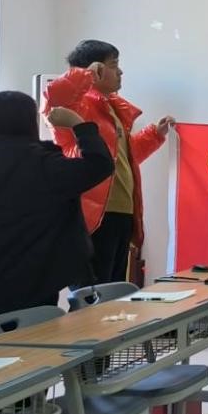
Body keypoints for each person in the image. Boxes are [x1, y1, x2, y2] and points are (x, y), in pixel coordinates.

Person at [43, 40, 175, 284]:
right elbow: (55, 96)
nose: (120, 71)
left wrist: (155, 134)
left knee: (114, 292)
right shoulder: (79, 105)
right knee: (92, 293)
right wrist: (84, 74)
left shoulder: (112, 109)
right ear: (97, 69)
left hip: (121, 213)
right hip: (93, 217)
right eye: (114, 65)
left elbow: (124, 157)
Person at [0, 92, 113, 315]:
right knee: (36, 331)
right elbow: (99, 164)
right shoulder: (44, 164)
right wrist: (79, 125)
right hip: (36, 278)